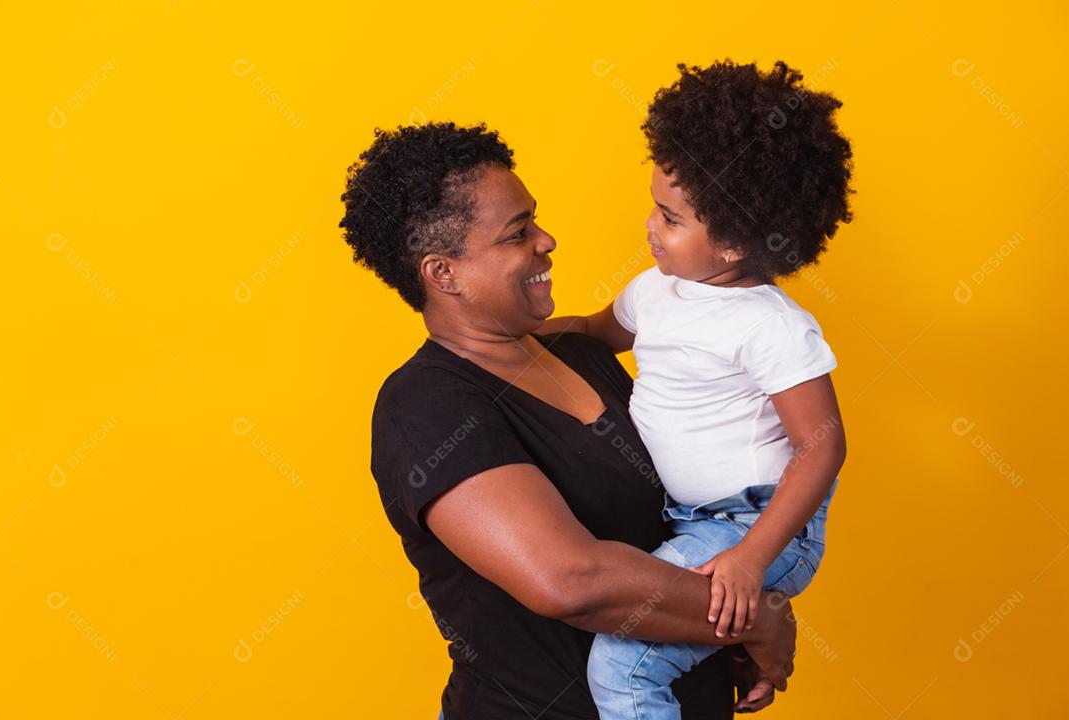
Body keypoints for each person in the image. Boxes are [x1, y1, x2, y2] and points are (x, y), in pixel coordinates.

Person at [338, 121, 798, 720]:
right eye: (516, 234)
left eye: (536, 219)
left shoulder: (583, 358)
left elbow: (674, 525)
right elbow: (570, 580)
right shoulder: (425, 406)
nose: (547, 240)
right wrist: (754, 616)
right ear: (442, 273)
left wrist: (714, 634)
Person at [538, 60, 853, 720]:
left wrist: (748, 558)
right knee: (664, 628)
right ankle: (743, 646)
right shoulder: (654, 290)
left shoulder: (771, 326)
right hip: (691, 524)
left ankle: (746, 624)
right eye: (655, 207)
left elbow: (821, 448)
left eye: (670, 217)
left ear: (737, 243)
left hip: (757, 524)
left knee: (621, 666)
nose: (651, 226)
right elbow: (594, 331)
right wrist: (516, 337)